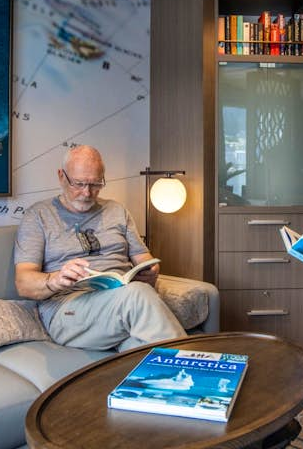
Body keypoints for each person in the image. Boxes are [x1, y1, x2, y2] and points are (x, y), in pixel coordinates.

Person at [14, 145, 186, 352]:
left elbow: (143, 257)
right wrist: (56, 279)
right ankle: (199, 371)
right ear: (61, 176)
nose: (87, 193)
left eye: (95, 184)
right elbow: (23, 283)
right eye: (79, 184)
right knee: (137, 295)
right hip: (68, 310)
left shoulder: (117, 210)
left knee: (140, 350)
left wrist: (150, 272)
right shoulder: (38, 216)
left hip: (119, 301)